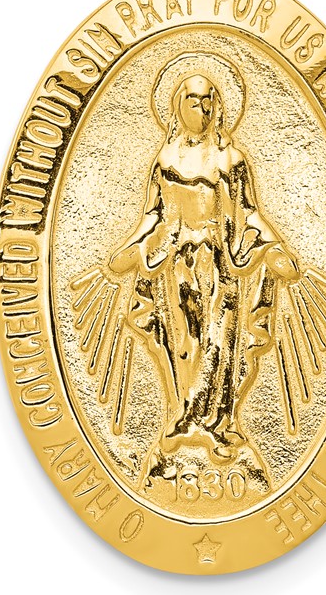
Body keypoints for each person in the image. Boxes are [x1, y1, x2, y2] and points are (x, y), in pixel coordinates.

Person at [108, 73, 301, 460]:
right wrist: (131, 249)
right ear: (178, 106)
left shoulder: (231, 160)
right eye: (194, 101)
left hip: (219, 264)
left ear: (219, 107)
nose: (203, 109)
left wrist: (273, 248)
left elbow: (248, 213)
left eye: (209, 100)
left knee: (217, 341)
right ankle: (184, 417)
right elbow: (153, 215)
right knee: (183, 343)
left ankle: (214, 423)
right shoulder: (166, 161)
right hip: (176, 264)